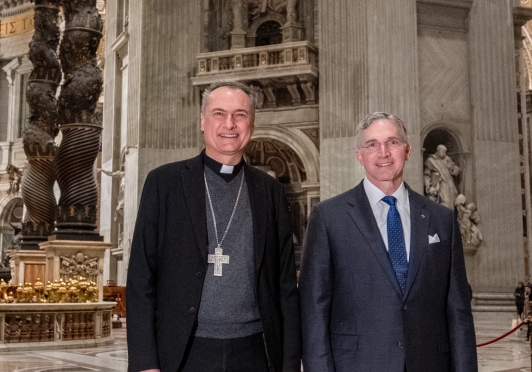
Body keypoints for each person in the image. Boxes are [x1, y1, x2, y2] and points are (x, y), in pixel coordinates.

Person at [127, 81, 300, 372]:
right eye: (219, 113)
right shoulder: (164, 183)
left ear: (252, 124)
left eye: (240, 115)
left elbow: (285, 285)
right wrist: (145, 362)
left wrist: (291, 364)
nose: (229, 124)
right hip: (184, 351)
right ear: (202, 121)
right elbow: (141, 277)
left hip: (255, 350)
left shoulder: (269, 191)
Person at [300, 112, 477, 372]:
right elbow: (313, 311)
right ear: (359, 155)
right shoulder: (329, 218)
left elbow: (458, 311)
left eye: (392, 142)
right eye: (372, 144)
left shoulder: (441, 218)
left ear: (407, 150)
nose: (383, 152)